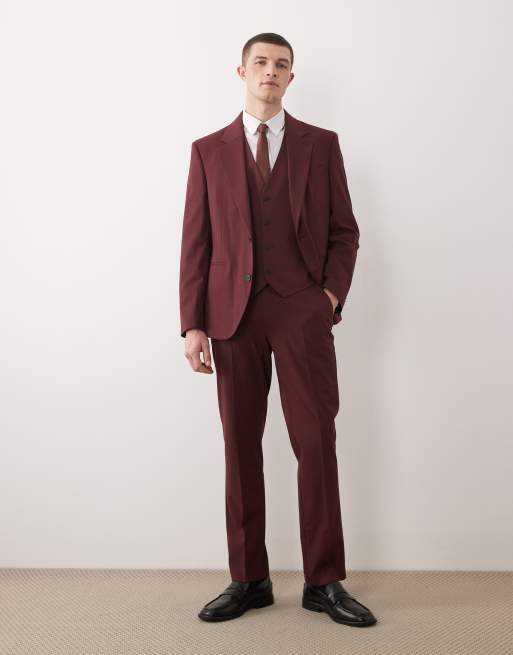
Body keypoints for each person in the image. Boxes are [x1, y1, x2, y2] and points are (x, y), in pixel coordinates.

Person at [179, 32, 377, 627]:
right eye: (261, 62)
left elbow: (345, 231)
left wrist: (328, 297)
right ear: (241, 71)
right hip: (232, 318)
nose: (271, 71)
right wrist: (192, 324)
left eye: (282, 64)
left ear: (291, 77)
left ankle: (324, 581)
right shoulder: (207, 151)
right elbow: (196, 241)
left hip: (301, 312)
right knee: (240, 446)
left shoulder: (321, 145)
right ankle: (249, 579)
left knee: (315, 442)